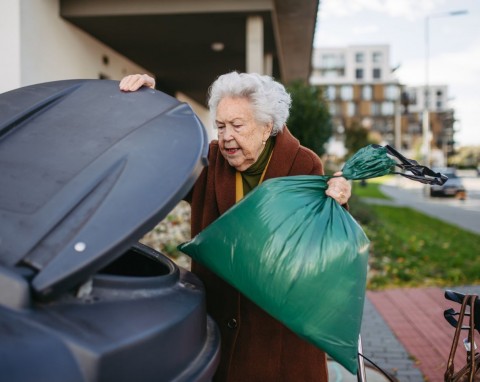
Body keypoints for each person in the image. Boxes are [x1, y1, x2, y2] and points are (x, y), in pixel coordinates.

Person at [120, 72, 351, 381]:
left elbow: (322, 237)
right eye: (220, 125)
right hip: (219, 334)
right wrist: (148, 106)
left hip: (278, 341)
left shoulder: (302, 165)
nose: (226, 136)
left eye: (237, 126)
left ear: (267, 127)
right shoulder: (208, 161)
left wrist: (339, 198)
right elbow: (164, 157)